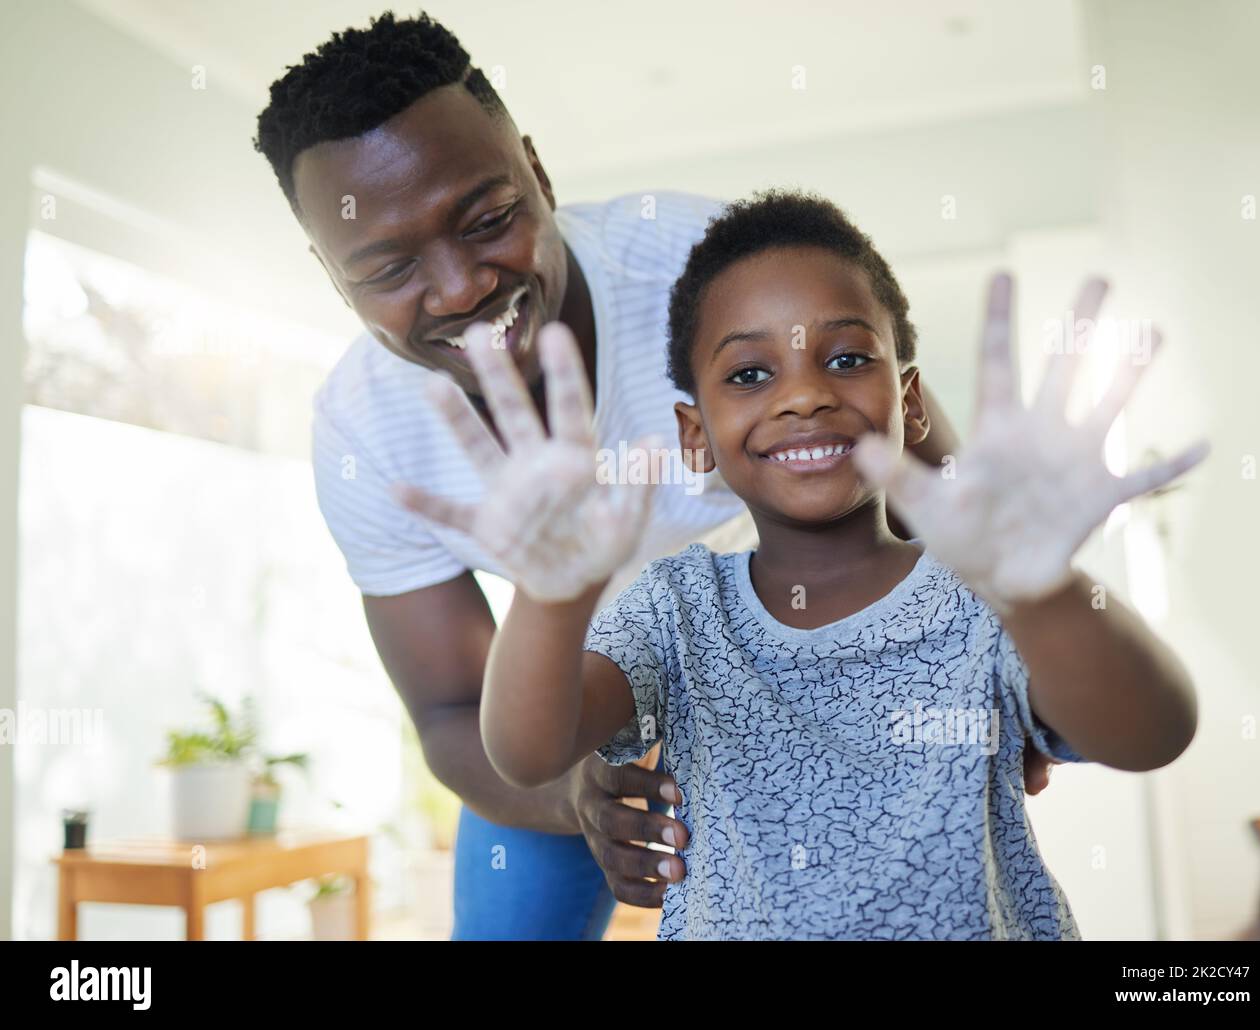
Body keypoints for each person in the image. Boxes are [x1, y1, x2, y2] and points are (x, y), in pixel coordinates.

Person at [253, 13, 1054, 940]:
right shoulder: (363, 431)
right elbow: (447, 710)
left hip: (786, 662)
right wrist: (575, 797)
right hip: (561, 699)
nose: (464, 285)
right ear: (333, 278)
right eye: (390, 266)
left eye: (489, 220)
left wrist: (1001, 669)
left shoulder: (702, 271)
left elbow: (925, 485)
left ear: (539, 175)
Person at [404, 190, 1206, 938]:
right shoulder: (676, 607)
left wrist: (1044, 595)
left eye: (848, 359)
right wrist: (551, 599)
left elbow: (1153, 735)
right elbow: (530, 750)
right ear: (696, 435)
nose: (804, 396)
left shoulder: (980, 592)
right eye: (750, 374)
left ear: (911, 401)